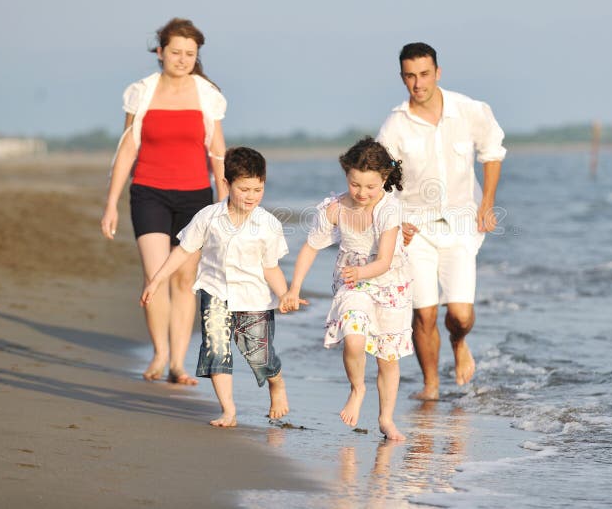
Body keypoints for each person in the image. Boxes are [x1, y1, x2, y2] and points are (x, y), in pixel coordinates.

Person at [101, 18, 228, 385]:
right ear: (161, 52)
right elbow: (128, 148)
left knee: (185, 279)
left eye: (190, 54)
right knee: (156, 274)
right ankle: (159, 353)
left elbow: (217, 151)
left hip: (195, 197)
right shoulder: (141, 92)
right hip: (148, 192)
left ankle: (177, 364)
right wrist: (110, 203)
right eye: (176, 52)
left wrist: (223, 203)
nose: (183, 59)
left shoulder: (207, 94)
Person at [376, 42, 506, 401]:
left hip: (463, 224)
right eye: (410, 76)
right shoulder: (395, 125)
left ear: (438, 73)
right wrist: (395, 221)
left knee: (460, 315)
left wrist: (489, 204)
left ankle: (459, 342)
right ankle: (430, 386)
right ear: (402, 77)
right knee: (424, 314)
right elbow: (384, 181)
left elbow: (492, 152)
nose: (418, 84)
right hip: (414, 228)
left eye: (424, 74)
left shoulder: (469, 110)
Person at [141, 147, 302, 427]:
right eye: (244, 189)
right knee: (216, 349)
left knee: (260, 357)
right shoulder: (208, 217)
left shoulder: (268, 225)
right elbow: (183, 251)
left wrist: (286, 293)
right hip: (215, 292)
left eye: (258, 189)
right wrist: (157, 279)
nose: (251, 196)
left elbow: (270, 267)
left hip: (254, 300)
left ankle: (276, 384)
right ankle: (229, 410)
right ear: (226, 184)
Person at [281, 138, 413, 441]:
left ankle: (386, 418)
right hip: (352, 285)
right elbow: (310, 247)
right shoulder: (334, 209)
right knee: (353, 339)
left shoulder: (387, 210)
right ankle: (357, 388)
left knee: (387, 358)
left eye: (370, 186)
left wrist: (362, 271)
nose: (362, 193)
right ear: (346, 176)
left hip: (390, 284)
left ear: (384, 179)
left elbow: (385, 260)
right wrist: (294, 287)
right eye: (355, 185)